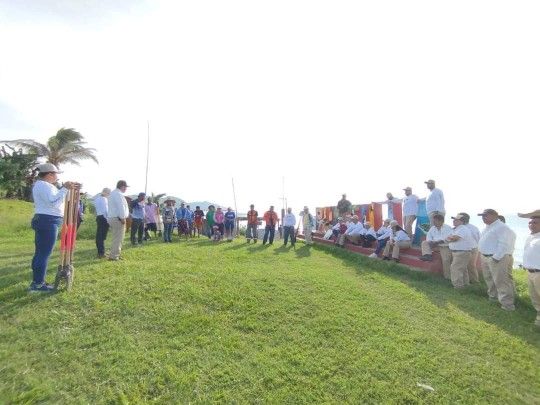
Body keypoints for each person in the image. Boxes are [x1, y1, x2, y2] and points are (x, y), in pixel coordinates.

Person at [29, 163, 79, 292]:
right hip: (48, 220)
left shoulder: (43, 185)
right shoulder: (44, 185)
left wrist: (65, 189)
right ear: (50, 174)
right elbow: (53, 202)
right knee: (44, 253)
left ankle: (37, 281)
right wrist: (64, 188)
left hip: (45, 219)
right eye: (56, 174)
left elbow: (56, 200)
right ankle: (38, 284)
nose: (57, 177)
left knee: (40, 253)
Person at [477, 208, 517, 311]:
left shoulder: (501, 227)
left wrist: (496, 257)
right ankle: (493, 298)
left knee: (501, 281)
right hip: (486, 256)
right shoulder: (488, 227)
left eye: (485, 215)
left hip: (496, 258)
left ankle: (507, 305)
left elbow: (504, 244)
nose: (483, 218)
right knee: (489, 279)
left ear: (494, 215)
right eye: (482, 216)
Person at [518, 209, 540, 327]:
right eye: (530, 223)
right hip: (531, 273)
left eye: (535, 222)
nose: (531, 225)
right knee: (535, 298)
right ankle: (538, 320)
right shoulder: (531, 237)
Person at [420, 213, 453, 279]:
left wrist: (436, 242)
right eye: (433, 221)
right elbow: (428, 237)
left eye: (435, 221)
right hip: (434, 245)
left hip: (445, 246)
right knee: (424, 242)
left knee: (446, 260)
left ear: (441, 221)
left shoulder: (447, 228)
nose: (433, 222)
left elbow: (446, 239)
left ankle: (447, 277)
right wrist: (430, 242)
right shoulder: (432, 228)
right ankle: (427, 255)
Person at [446, 214, 475, 288]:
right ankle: (465, 284)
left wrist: (450, 238)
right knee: (463, 269)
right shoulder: (457, 229)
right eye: (454, 219)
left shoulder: (462, 229)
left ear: (462, 221)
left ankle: (458, 286)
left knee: (455, 268)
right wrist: (450, 238)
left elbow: (454, 238)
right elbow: (449, 238)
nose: (454, 221)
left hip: (461, 252)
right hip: (460, 252)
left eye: (456, 220)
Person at [107, 180, 130, 261]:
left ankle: (114, 254)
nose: (126, 189)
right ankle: (114, 256)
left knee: (116, 237)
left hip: (113, 217)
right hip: (118, 218)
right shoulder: (118, 194)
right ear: (122, 186)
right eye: (125, 187)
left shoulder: (113, 193)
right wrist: (123, 217)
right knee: (118, 238)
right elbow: (121, 207)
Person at [458, 212, 481, 283]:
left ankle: (475, 281)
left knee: (471, 265)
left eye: (459, 218)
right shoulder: (458, 227)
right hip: (461, 250)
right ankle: (465, 281)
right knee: (462, 266)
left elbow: (478, 239)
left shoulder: (473, 228)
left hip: (472, 249)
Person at [94, 187, 111, 259]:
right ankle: (101, 253)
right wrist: (108, 220)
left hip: (99, 217)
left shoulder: (97, 199)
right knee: (101, 237)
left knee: (100, 236)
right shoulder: (104, 199)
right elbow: (106, 211)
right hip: (104, 218)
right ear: (107, 193)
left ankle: (101, 251)